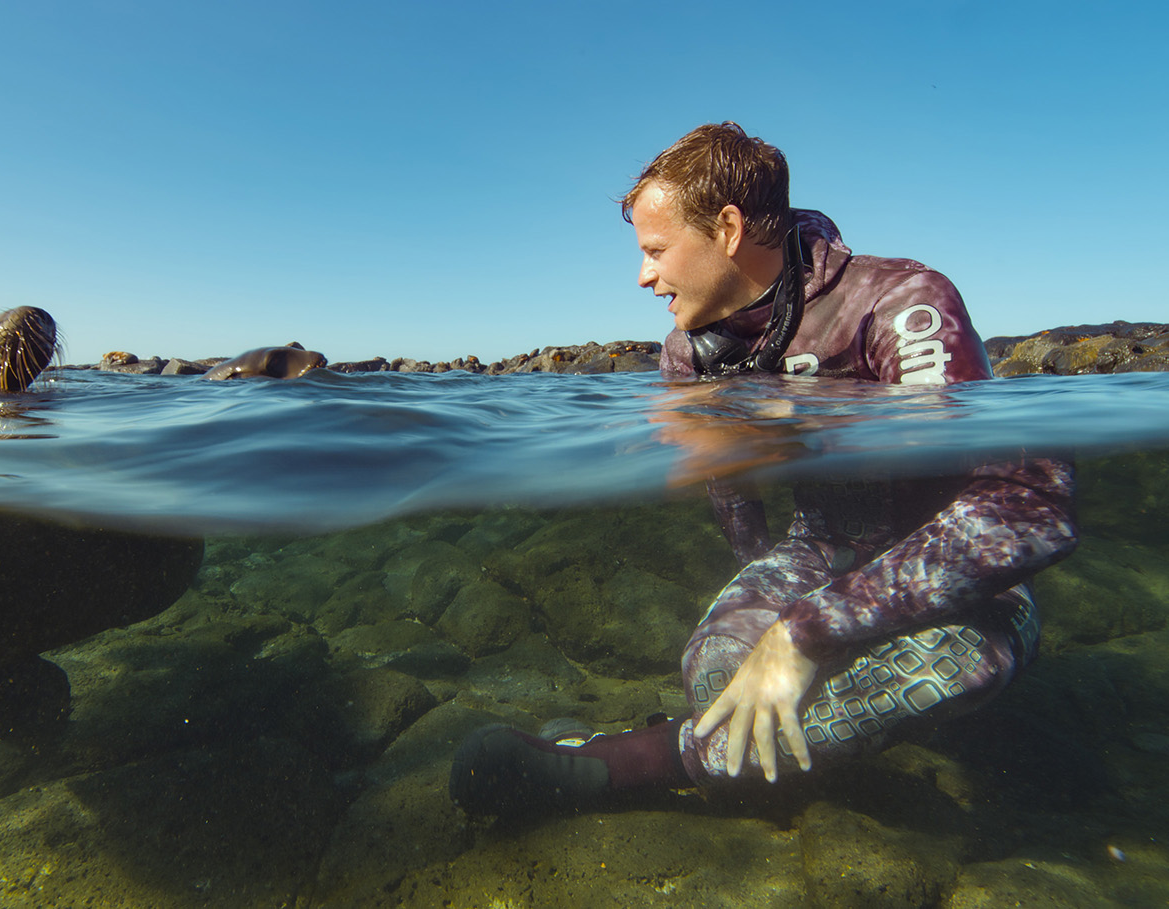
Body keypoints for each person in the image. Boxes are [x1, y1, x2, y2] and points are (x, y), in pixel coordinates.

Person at [449, 122, 1078, 812]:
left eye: (656, 250)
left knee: (947, 669)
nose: (643, 275)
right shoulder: (687, 354)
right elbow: (731, 492)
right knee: (717, 675)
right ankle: (743, 733)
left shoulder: (898, 303)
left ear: (726, 227)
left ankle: (638, 759)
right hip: (820, 552)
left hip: (965, 588)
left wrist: (804, 630)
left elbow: (1028, 506)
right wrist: (767, 584)